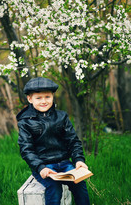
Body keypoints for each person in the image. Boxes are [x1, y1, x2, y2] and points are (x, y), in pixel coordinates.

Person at [17, 77, 90, 205]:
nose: (44, 101)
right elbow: (26, 149)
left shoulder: (62, 117)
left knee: (80, 185)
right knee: (54, 189)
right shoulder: (25, 122)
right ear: (30, 99)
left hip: (65, 163)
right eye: (38, 98)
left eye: (47, 97)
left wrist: (79, 160)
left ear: (53, 97)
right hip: (44, 166)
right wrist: (40, 167)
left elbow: (73, 141)